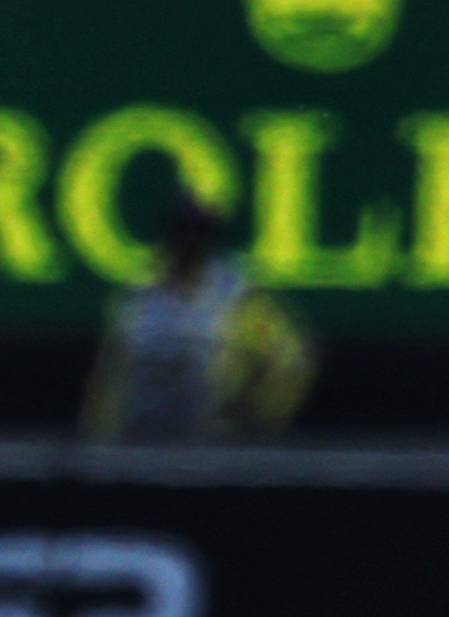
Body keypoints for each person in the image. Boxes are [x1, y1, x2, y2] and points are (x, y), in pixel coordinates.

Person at [85, 184, 312, 444]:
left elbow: (292, 362)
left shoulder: (237, 297)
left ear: (209, 237)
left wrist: (253, 423)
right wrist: (100, 447)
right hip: (139, 454)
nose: (188, 241)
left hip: (211, 461)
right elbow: (110, 383)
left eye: (197, 232)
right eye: (181, 231)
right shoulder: (139, 299)